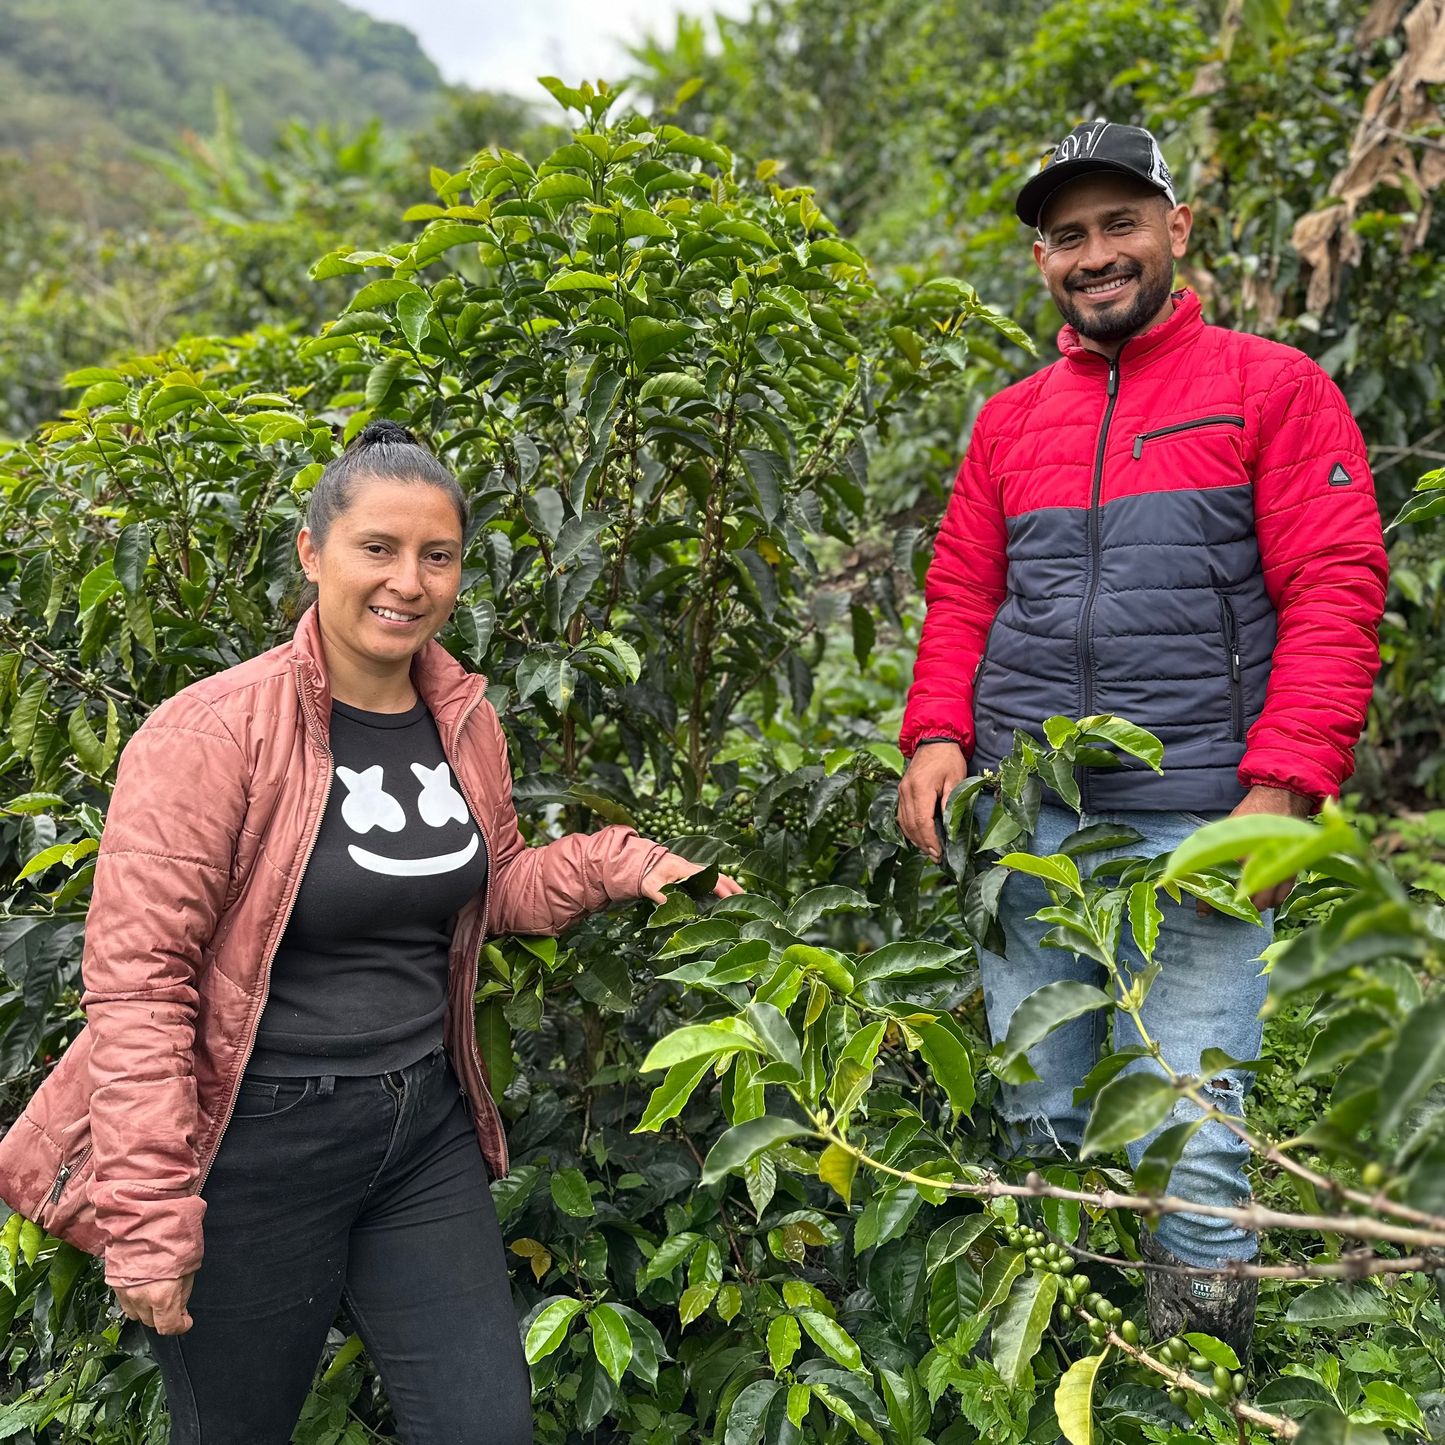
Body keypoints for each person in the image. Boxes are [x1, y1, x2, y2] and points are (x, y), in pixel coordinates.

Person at [0, 420, 740, 1443]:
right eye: (377, 548)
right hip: (255, 1142)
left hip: (417, 1128)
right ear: (312, 551)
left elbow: (496, 885)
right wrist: (150, 1215)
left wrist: (621, 862)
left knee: (485, 1425)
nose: (408, 580)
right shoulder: (210, 732)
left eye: (437, 555)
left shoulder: (461, 716)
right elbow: (140, 985)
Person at [896, 120, 1387, 1357]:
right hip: (1029, 814)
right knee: (1039, 1100)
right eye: (1068, 234)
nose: (1095, 252)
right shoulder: (1008, 423)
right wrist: (936, 736)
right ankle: (1064, 1363)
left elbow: (1334, 588)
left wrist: (1279, 790)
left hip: (1198, 816)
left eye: (1120, 223)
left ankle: (1196, 1379)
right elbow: (961, 591)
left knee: (1191, 1121)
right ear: (1040, 260)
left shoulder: (1270, 387)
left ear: (1176, 229)